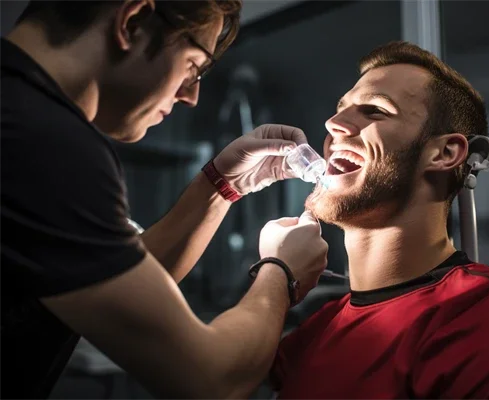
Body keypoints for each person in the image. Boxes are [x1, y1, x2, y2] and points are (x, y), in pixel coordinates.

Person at [0, 1, 329, 399]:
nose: (191, 96)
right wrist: (280, 271)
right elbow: (210, 379)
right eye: (193, 67)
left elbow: (114, 278)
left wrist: (222, 185)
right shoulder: (46, 141)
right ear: (133, 22)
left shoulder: (19, 112)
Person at [269, 41, 489, 399]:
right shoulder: (319, 328)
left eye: (375, 111)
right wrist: (220, 186)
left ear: (445, 153)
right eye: (341, 109)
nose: (333, 124)